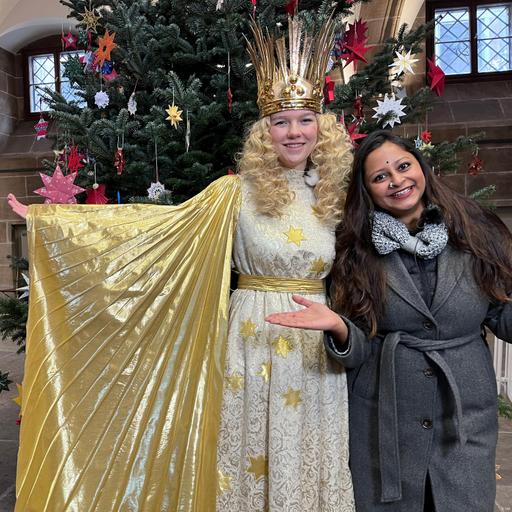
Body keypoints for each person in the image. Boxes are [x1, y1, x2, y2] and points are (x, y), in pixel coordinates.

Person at [7, 16, 355, 512]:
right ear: (265, 130)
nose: (294, 132)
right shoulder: (233, 192)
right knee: (246, 452)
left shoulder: (338, 195)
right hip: (249, 338)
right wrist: (51, 222)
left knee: (308, 452)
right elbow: (157, 231)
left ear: (321, 126)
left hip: (315, 348)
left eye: (304, 119)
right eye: (281, 121)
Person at [266, 130, 512, 512]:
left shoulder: (476, 231)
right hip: (385, 413)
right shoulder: (355, 249)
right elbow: (360, 342)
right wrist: (339, 327)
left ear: (421, 168)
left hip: (464, 412)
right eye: (380, 177)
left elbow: (502, 314)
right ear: (367, 190)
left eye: (403, 166)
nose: (397, 181)